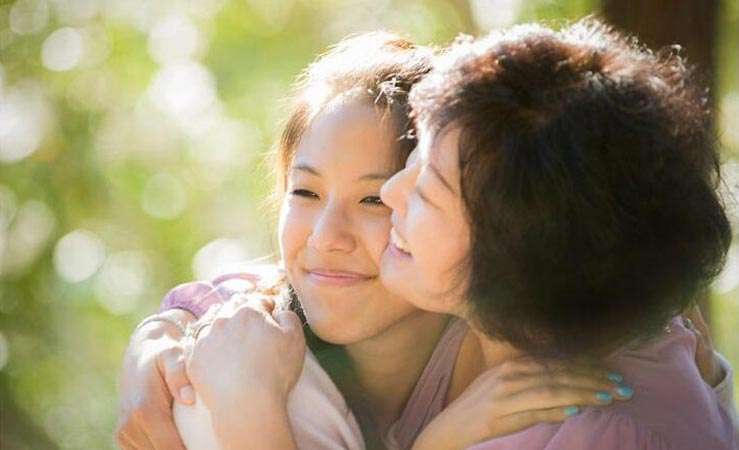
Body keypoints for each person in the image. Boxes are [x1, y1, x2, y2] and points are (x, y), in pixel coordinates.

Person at [117, 32, 635, 450]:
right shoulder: (228, 368)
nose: (327, 237)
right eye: (305, 191)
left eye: (374, 201)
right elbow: (230, 295)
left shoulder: (500, 342)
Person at [379, 19, 738, 449]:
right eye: (415, 152)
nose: (389, 192)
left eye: (427, 194)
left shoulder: (601, 432)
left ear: (517, 256)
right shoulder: (463, 328)